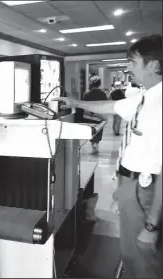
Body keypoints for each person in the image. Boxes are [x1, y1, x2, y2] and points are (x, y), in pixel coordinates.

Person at [54, 34, 162, 278]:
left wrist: (152, 224)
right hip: (132, 185)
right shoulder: (145, 96)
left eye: (133, 62)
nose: (127, 68)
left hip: (147, 189)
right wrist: (74, 102)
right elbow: (110, 107)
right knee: (131, 251)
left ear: (153, 65)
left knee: (144, 257)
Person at [83, 75, 108, 154]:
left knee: (92, 129)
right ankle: (96, 143)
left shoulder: (87, 93)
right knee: (99, 129)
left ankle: (93, 142)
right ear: (99, 84)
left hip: (90, 115)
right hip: (100, 114)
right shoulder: (102, 93)